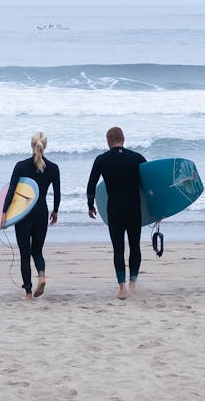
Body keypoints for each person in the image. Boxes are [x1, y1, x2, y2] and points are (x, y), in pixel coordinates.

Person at [87, 126, 146, 299]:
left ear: (108, 140)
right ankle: (133, 283)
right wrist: (157, 211)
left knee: (118, 248)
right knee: (135, 245)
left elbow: (91, 184)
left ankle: (121, 288)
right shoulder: (137, 158)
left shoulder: (101, 159)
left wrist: (91, 205)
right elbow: (149, 185)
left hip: (114, 210)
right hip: (134, 209)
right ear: (123, 139)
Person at [0, 132, 60, 300]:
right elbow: (57, 193)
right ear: (45, 146)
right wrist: (55, 211)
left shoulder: (21, 166)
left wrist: (4, 213)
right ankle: (41, 276)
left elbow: (11, 191)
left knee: (25, 253)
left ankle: (28, 292)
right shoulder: (54, 168)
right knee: (38, 250)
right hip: (42, 211)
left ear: (31, 145)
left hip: (24, 213)